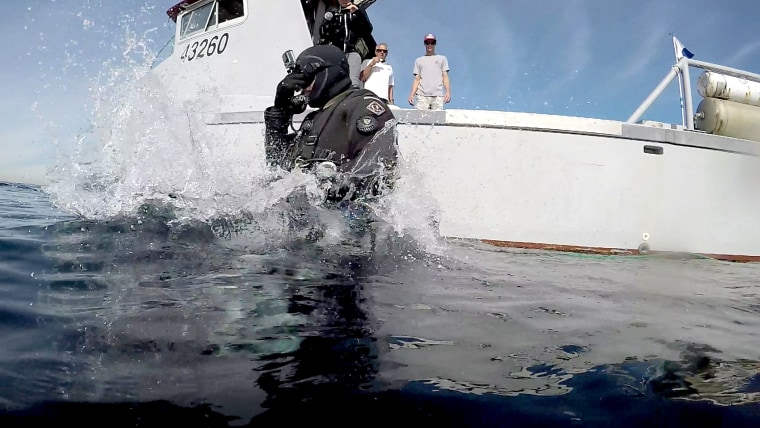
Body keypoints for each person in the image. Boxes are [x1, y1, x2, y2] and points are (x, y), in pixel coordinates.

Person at [264, 44, 397, 203]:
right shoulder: (313, 120)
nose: (302, 87)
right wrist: (279, 110)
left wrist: (325, 189)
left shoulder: (361, 105)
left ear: (327, 73)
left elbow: (380, 174)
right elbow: (276, 163)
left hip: (344, 222)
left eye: (306, 77)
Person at [316, 0, 374, 89]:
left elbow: (368, 29)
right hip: (336, 53)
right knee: (334, 81)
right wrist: (328, 20)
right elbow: (323, 33)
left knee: (353, 82)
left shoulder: (357, 11)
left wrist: (357, 12)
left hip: (352, 52)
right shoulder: (333, 12)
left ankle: (353, 97)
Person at [407, 33, 451, 110]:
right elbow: (417, 79)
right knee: (420, 120)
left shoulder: (442, 59)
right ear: (425, 44)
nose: (430, 44)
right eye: (428, 42)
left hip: (437, 95)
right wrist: (412, 94)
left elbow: (445, 77)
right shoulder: (419, 60)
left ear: (435, 44)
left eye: (432, 42)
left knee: (437, 120)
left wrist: (448, 92)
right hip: (421, 96)